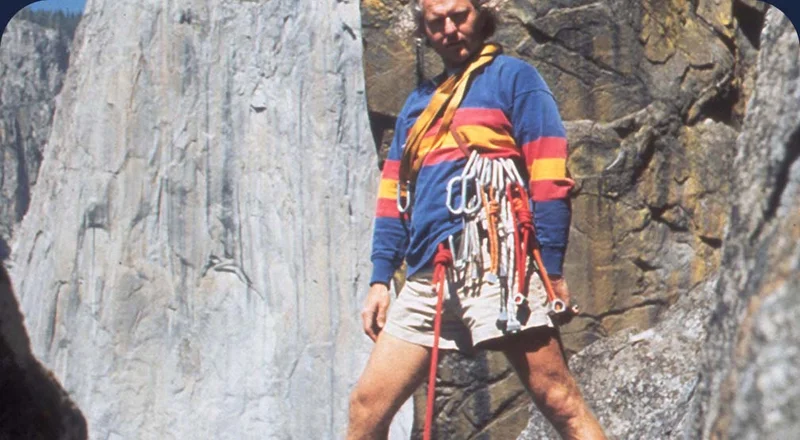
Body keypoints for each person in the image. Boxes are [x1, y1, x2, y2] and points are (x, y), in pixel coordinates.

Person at [348, 0, 607, 438]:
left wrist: (552, 268)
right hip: (428, 271)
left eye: (459, 16)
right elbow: (394, 193)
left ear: (481, 15)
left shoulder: (515, 79)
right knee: (365, 408)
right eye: (436, 23)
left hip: (498, 261)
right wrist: (379, 278)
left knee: (558, 399)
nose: (449, 29)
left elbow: (548, 174)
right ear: (424, 32)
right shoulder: (417, 104)